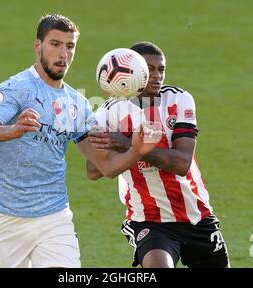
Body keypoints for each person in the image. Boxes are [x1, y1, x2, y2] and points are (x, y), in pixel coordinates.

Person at [0, 15, 161, 268]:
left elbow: (105, 167)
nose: (63, 54)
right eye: (55, 44)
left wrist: (137, 150)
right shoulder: (17, 88)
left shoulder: (77, 104)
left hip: (54, 218)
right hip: (6, 220)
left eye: (69, 46)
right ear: (38, 46)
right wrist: (13, 130)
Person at [86, 42, 230, 268]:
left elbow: (182, 162)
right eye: (149, 69)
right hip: (149, 220)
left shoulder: (178, 100)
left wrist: (127, 145)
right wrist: (124, 145)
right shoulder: (109, 112)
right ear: (132, 72)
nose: (156, 76)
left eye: (160, 70)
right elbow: (93, 170)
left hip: (196, 215)